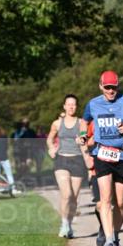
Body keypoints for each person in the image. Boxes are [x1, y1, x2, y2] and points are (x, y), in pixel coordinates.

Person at [81, 71, 123, 246]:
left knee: (120, 203)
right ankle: (110, 241)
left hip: (122, 155)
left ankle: (115, 236)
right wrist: (83, 135)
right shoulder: (93, 103)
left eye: (114, 87)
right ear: (100, 86)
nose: (111, 91)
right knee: (106, 199)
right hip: (102, 154)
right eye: (107, 87)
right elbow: (84, 120)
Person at [46, 95, 88, 238]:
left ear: (76, 107)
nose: (71, 107)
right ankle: (63, 224)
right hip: (62, 160)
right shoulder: (57, 123)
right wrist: (51, 148)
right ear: (64, 106)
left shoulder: (82, 123)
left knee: (74, 198)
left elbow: (86, 141)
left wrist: (82, 141)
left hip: (77, 160)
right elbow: (50, 138)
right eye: (68, 104)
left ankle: (69, 224)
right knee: (67, 194)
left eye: (73, 105)